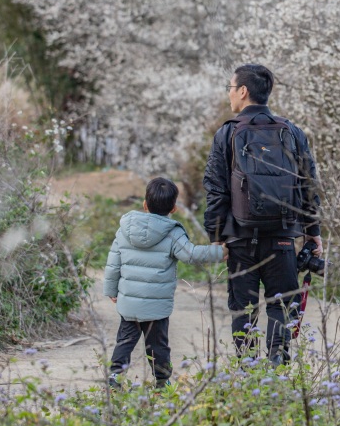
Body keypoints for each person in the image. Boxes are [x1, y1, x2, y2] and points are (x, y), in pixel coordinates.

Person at [203, 63, 322, 365]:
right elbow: (308, 186)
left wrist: (217, 237)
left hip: (239, 240)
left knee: (243, 310)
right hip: (282, 238)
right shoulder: (292, 132)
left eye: (230, 88)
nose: (230, 94)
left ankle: (248, 376)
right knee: (281, 308)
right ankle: (277, 374)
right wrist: (313, 233)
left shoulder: (228, 133)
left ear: (242, 92)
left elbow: (216, 190)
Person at [104, 177, 226, 389]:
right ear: (174, 208)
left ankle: (115, 376)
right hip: (156, 306)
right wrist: (220, 251)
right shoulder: (172, 232)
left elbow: (113, 263)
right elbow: (191, 255)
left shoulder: (125, 228)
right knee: (158, 346)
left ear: (144, 204)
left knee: (125, 341)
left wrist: (111, 290)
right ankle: (162, 381)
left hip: (129, 304)